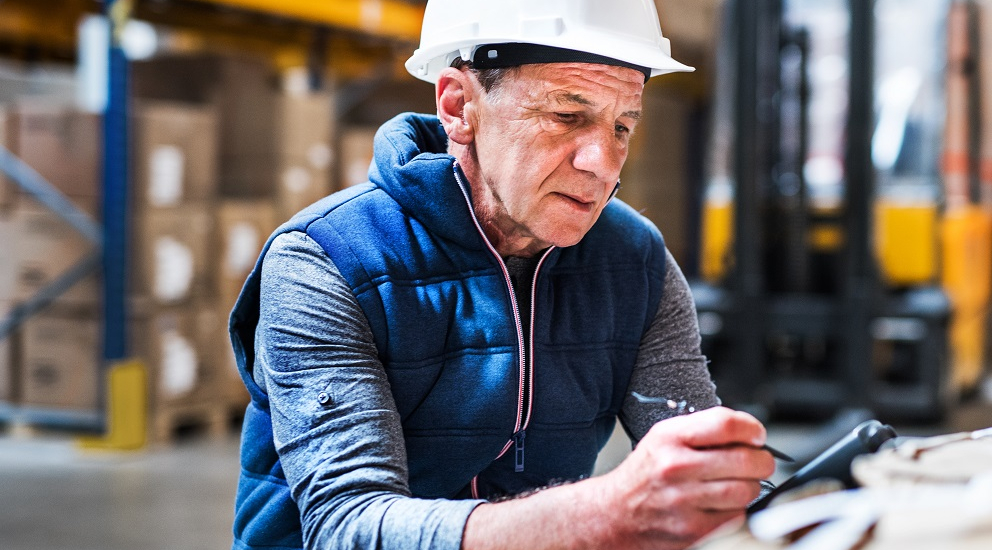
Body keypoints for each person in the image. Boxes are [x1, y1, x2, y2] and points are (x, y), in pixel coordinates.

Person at [229, 1, 775, 549]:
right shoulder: (327, 261)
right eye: (567, 116)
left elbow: (702, 472)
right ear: (459, 105)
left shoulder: (634, 263)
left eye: (622, 126)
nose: (604, 163)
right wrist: (600, 514)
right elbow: (347, 528)